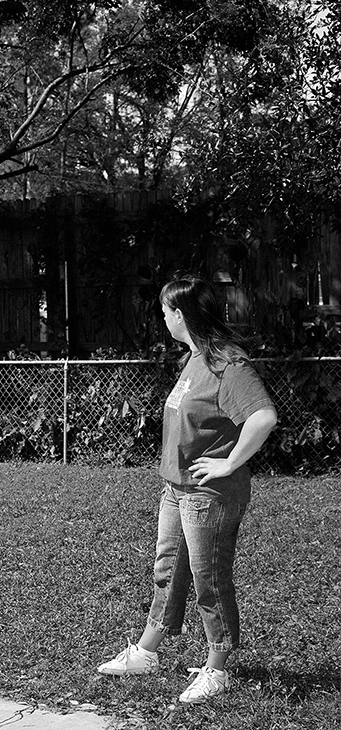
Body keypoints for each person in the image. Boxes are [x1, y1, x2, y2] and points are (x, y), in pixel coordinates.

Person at [97, 273, 278, 703]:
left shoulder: (227, 364)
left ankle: (217, 668)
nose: (162, 318)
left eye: (165, 311)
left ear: (181, 315)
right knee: (167, 571)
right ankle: (147, 652)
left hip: (208, 495)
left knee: (208, 579)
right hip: (176, 489)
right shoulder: (194, 359)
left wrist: (229, 462)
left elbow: (263, 417)